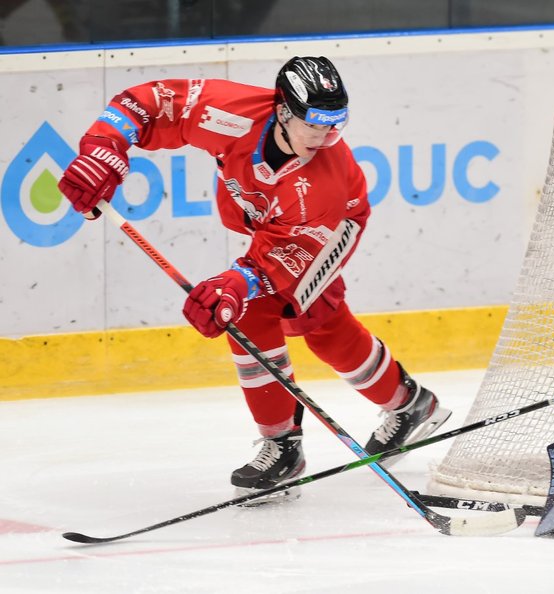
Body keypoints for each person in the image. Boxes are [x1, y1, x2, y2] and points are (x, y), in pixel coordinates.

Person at [57, 56, 451, 502]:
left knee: (254, 311)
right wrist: (103, 148)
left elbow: (281, 260)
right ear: (282, 110)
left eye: (334, 126)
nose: (324, 138)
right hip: (272, 221)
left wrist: (235, 286)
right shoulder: (233, 112)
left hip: (332, 226)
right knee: (321, 325)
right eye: (314, 125)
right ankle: (409, 403)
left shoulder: (321, 181)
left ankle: (283, 445)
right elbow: (145, 103)